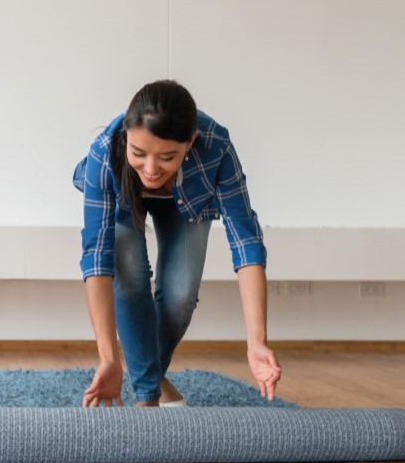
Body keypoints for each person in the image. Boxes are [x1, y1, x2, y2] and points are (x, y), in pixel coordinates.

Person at [73, 80, 282, 407]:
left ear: (190, 143)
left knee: (181, 295)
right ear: (127, 139)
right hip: (123, 200)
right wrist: (108, 358)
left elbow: (246, 242)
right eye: (138, 153)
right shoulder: (105, 150)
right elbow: (97, 257)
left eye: (167, 157)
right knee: (130, 277)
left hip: (187, 201)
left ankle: (148, 376)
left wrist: (257, 341)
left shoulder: (216, 147)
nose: (152, 169)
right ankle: (147, 396)